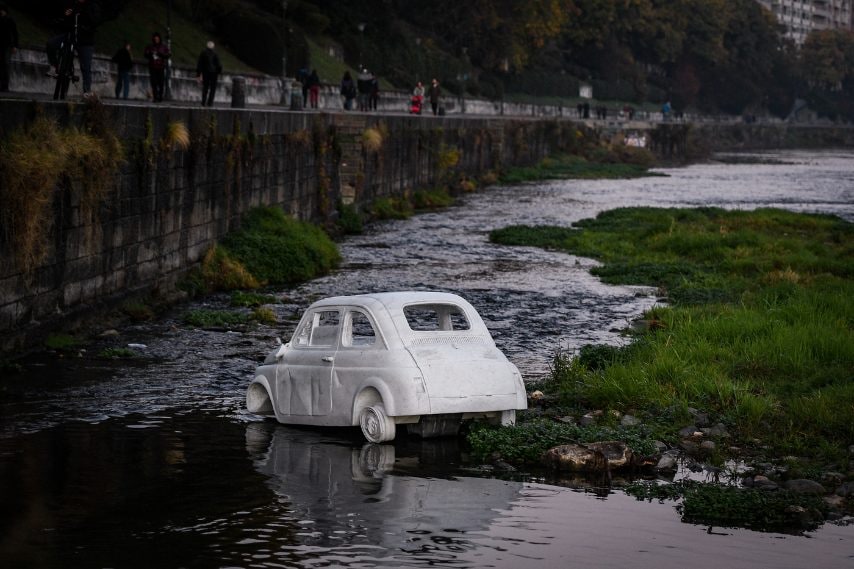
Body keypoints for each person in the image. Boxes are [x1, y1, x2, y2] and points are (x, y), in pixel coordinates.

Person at [46, 0, 100, 98]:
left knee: (86, 66)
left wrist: (83, 14)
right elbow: (63, 21)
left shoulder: (92, 6)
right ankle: (55, 67)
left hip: (85, 40)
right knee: (51, 44)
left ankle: (87, 91)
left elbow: (95, 21)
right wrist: (65, 16)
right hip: (70, 35)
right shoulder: (74, 4)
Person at [144, 32, 170, 102]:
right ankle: (155, 97)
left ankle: (160, 96)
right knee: (154, 82)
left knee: (161, 83)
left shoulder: (163, 46)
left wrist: (161, 55)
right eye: (155, 39)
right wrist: (150, 54)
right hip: (152, 67)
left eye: (157, 39)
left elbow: (168, 54)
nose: (156, 40)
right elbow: (145, 54)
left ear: (159, 39)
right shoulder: (150, 46)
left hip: (161, 67)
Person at [196, 40, 222, 107]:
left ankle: (203, 102)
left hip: (206, 73)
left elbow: (200, 64)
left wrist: (198, 74)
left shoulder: (203, 53)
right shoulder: (215, 54)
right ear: (213, 47)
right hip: (214, 74)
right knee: (213, 89)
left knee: (205, 88)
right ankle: (210, 103)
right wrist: (218, 72)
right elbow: (219, 65)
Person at [0, 4, 18, 92]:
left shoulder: (9, 20)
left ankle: (5, 86)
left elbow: (15, 33)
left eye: (2, 10)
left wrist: (15, 46)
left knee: (6, 64)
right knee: (2, 65)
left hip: (7, 45)